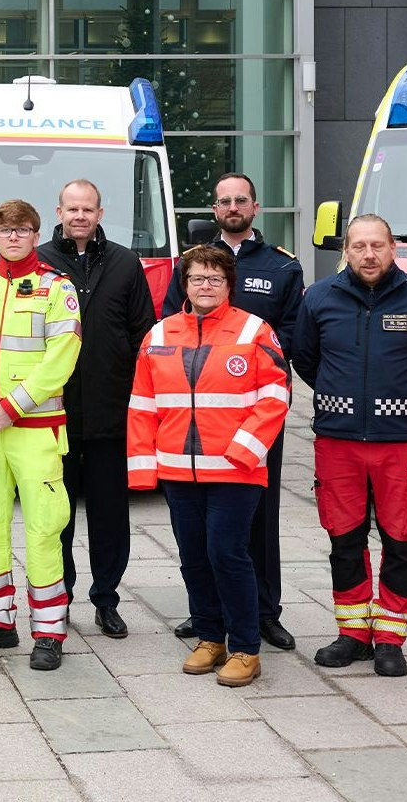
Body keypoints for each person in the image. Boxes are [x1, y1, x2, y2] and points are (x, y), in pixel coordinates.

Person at [289, 214, 407, 677]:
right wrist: (341, 397)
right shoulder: (319, 297)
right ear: (346, 250)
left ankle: (391, 639)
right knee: (344, 539)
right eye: (359, 246)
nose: (369, 254)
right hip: (337, 441)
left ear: (393, 247)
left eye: (377, 245)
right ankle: (353, 633)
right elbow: (305, 357)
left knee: (400, 542)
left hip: (402, 444)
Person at [128, 244, 289, 688]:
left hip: (236, 470)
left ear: (229, 285)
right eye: (197, 278)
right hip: (178, 469)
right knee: (194, 557)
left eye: (215, 279)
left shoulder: (254, 330)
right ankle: (209, 637)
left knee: (227, 553)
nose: (205, 286)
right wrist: (143, 468)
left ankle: (246, 647)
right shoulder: (159, 334)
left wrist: (245, 450)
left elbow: (275, 395)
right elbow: (142, 405)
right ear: (185, 284)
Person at [161, 173, 305, 650]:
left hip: (256, 414)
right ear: (215, 209)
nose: (232, 207)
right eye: (224, 201)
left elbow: (293, 333)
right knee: (203, 525)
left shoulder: (281, 265)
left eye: (241, 199)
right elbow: (172, 322)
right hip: (199, 416)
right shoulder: (192, 262)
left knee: (258, 517)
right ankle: (209, 613)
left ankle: (264, 611)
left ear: (255, 207)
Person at [0, 200, 81, 672]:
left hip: (35, 430)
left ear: (35, 235)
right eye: (5, 230)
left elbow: (62, 356)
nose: (13, 237)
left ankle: (48, 632)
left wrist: (12, 406)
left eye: (22, 230)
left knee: (44, 528)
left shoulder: (56, 288)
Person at [36, 179, 155, 638]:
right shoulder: (41, 263)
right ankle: (59, 597)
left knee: (110, 516)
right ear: (59, 212)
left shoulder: (125, 263)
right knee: (56, 514)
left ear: (100, 214)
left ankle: (106, 598)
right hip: (55, 414)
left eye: (88, 209)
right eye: (72, 209)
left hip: (111, 411)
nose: (80, 216)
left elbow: (143, 334)